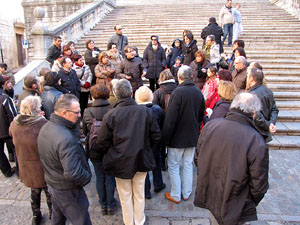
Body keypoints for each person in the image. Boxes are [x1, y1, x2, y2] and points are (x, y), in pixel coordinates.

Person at [194, 92, 269, 225]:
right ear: (253, 113)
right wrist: (245, 201)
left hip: (213, 193)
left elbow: (198, 159)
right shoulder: (256, 140)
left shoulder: (211, 126)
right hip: (235, 202)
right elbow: (259, 184)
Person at [95, 79, 161, 225]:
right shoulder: (145, 112)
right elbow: (156, 136)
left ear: (115, 95)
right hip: (141, 158)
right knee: (139, 193)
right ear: (131, 93)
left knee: (125, 195)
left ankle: (129, 222)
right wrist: (146, 148)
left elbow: (102, 142)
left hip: (120, 161)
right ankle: (139, 220)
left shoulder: (111, 115)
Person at [38, 94, 92, 225]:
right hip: (68, 189)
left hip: (53, 183)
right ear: (64, 113)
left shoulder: (46, 126)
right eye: (77, 112)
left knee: (58, 217)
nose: (79, 115)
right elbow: (73, 172)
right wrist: (87, 177)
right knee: (81, 219)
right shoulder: (65, 138)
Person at [163, 65, 205, 203]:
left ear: (179, 77)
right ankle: (186, 193)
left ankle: (176, 194)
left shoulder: (177, 93)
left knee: (174, 165)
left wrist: (165, 138)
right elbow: (201, 115)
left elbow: (170, 119)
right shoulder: (198, 92)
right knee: (188, 165)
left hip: (177, 138)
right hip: (191, 135)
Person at [9, 96, 52, 225]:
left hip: (25, 163)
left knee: (35, 190)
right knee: (48, 191)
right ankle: (52, 214)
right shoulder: (42, 123)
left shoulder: (15, 124)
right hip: (41, 164)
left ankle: (36, 215)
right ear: (36, 109)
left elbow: (11, 134)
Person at [82, 84, 117, 215]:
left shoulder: (87, 111)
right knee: (110, 177)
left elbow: (86, 132)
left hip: (94, 149)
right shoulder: (113, 109)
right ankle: (111, 203)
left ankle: (103, 204)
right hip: (110, 148)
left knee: (99, 176)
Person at [135, 86, 166, 199]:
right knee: (156, 161)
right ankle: (158, 183)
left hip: (142, 142)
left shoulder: (135, 110)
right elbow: (162, 125)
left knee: (144, 166)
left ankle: (146, 190)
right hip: (155, 142)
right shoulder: (157, 109)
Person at [247, 68, 279, 143]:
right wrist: (271, 123)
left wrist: (269, 125)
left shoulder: (252, 95)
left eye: (248, 76)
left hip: (256, 131)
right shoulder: (267, 91)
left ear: (251, 79)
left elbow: (256, 116)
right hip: (262, 132)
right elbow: (274, 110)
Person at [0, 75, 17, 177]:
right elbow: (13, 116)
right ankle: (19, 170)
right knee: (16, 149)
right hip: (7, 129)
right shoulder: (5, 99)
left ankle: (6, 171)